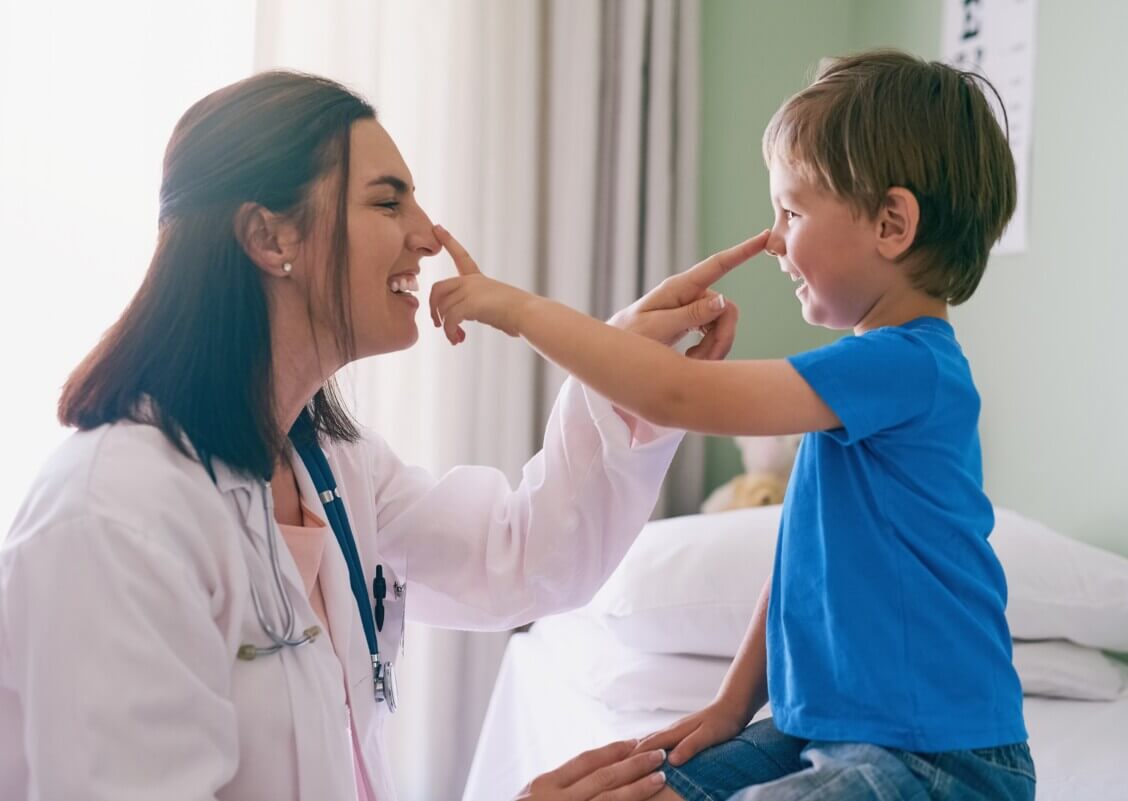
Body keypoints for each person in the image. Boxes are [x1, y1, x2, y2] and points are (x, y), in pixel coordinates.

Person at [0, 70, 756, 801]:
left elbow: (524, 554)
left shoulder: (331, 470)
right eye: (388, 202)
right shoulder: (113, 519)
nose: (428, 237)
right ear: (269, 236)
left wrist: (627, 370)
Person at [424, 50, 1034, 801]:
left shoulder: (907, 367)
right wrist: (732, 705)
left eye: (793, 211)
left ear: (891, 224)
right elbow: (801, 573)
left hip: (938, 758)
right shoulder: (865, 374)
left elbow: (676, 395)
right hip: (828, 727)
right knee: (657, 782)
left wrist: (516, 309)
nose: (775, 239)